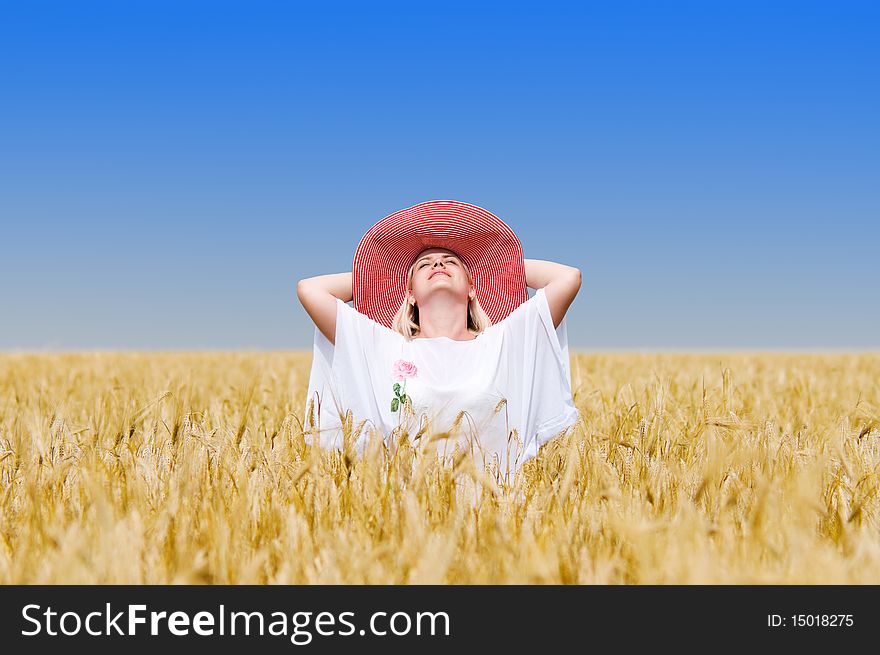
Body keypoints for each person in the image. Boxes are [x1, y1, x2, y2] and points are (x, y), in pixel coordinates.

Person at [296, 199, 582, 478]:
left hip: (496, 516)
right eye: (424, 265)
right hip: (408, 516)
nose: (438, 263)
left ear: (472, 287)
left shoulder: (502, 343)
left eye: (451, 262)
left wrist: (497, 265)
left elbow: (567, 278)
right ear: (409, 293)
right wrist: (372, 275)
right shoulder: (383, 347)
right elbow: (310, 290)